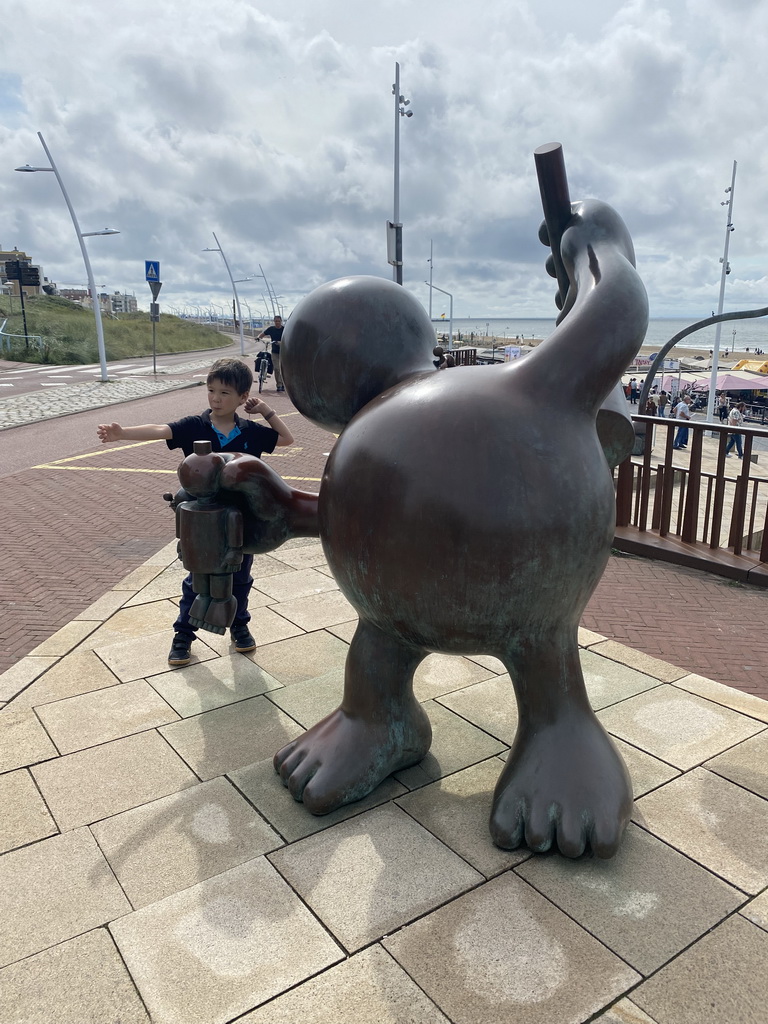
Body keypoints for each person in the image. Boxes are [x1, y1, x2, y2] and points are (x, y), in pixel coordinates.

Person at [96, 358, 294, 665]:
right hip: (202, 523)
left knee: (240, 578)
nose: (215, 398)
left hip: (242, 521)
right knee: (196, 581)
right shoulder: (195, 426)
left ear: (243, 398)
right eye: (211, 390)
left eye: (225, 393)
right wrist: (123, 433)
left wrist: (265, 411)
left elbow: (285, 439)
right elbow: (162, 429)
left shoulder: (251, 431)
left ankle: (239, 626)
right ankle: (183, 636)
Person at [257, 315, 285, 392]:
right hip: (275, 352)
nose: (277, 323)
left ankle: (284, 384)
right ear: (274, 322)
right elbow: (263, 334)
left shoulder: (284, 329)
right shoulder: (271, 329)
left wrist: (281, 342)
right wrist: (258, 337)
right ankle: (279, 385)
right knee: (276, 368)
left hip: (283, 352)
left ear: (281, 321)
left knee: (283, 369)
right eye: (276, 321)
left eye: (279, 321)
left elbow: (288, 338)